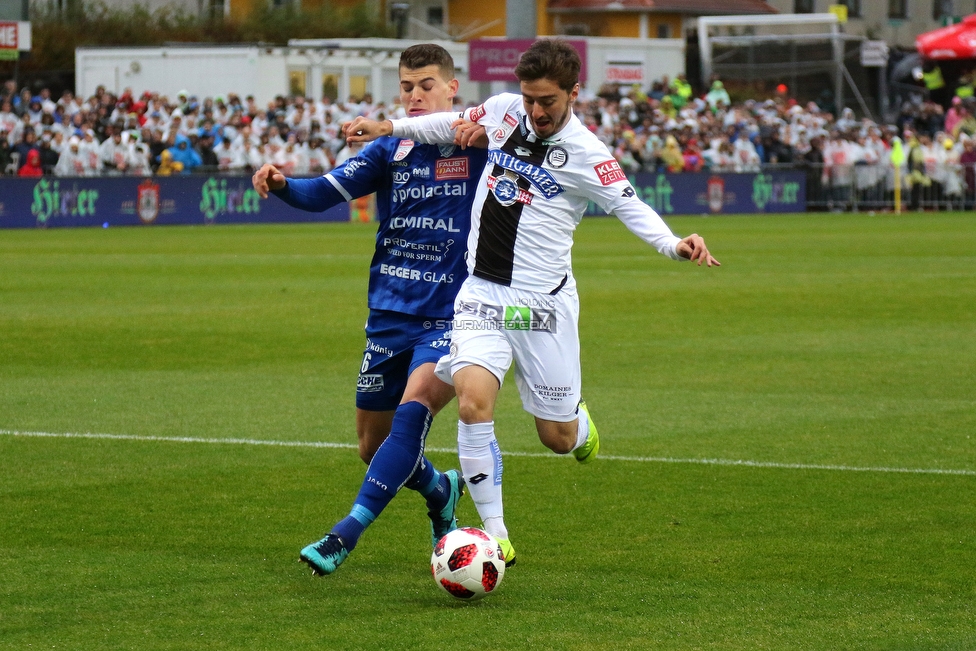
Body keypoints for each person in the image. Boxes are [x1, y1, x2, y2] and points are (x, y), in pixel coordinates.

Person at [343, 38, 719, 563]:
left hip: (541, 308)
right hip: (480, 296)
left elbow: (631, 206)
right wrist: (388, 128)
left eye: (547, 101)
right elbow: (445, 123)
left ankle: (578, 422)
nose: (536, 111)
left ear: (572, 93)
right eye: (529, 100)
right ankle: (495, 537)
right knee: (473, 405)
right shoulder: (502, 111)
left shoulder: (588, 154)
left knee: (557, 437)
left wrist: (676, 246)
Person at [251, 43, 490, 576]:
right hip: (389, 312)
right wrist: (283, 184)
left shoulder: (479, 142)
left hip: (455, 315)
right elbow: (323, 193)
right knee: (371, 445)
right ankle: (439, 488)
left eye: (427, 85)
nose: (415, 96)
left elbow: (519, 124)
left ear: (452, 88)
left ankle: (344, 535)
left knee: (412, 415)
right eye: (406, 87)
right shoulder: (391, 151)